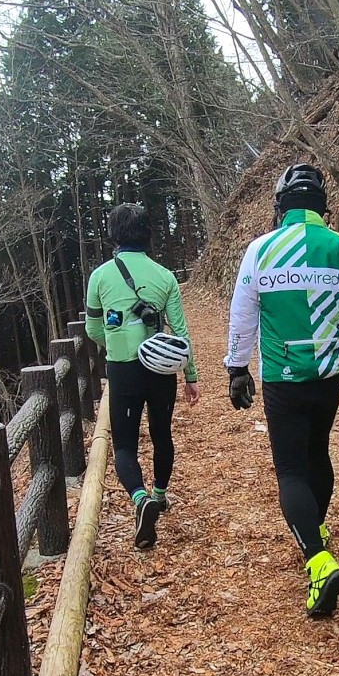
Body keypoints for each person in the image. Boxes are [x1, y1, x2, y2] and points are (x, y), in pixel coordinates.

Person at [224, 164, 339, 617]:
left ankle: (318, 561)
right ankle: (314, 530)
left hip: (283, 374)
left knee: (290, 469)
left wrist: (237, 369)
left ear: (279, 205)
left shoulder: (259, 249)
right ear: (324, 207)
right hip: (330, 373)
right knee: (318, 452)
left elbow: (243, 315)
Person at [86, 203, 200, 550]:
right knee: (162, 434)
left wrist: (115, 342)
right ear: (147, 234)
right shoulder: (165, 276)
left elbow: (93, 328)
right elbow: (179, 331)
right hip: (160, 369)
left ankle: (139, 498)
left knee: (124, 444)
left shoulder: (100, 276)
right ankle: (160, 495)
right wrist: (190, 376)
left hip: (123, 369)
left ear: (114, 235)